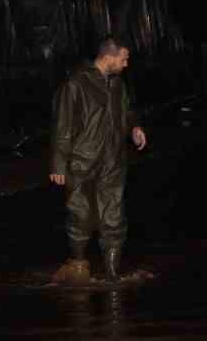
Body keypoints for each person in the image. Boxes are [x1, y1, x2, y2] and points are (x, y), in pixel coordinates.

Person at [50, 35, 148, 282]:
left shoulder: (118, 84)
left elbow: (126, 111)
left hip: (113, 159)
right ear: (109, 56)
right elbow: (62, 127)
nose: (126, 64)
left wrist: (134, 127)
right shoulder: (75, 85)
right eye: (124, 59)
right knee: (81, 213)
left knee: (114, 215)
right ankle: (79, 264)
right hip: (82, 161)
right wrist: (58, 164)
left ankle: (113, 273)